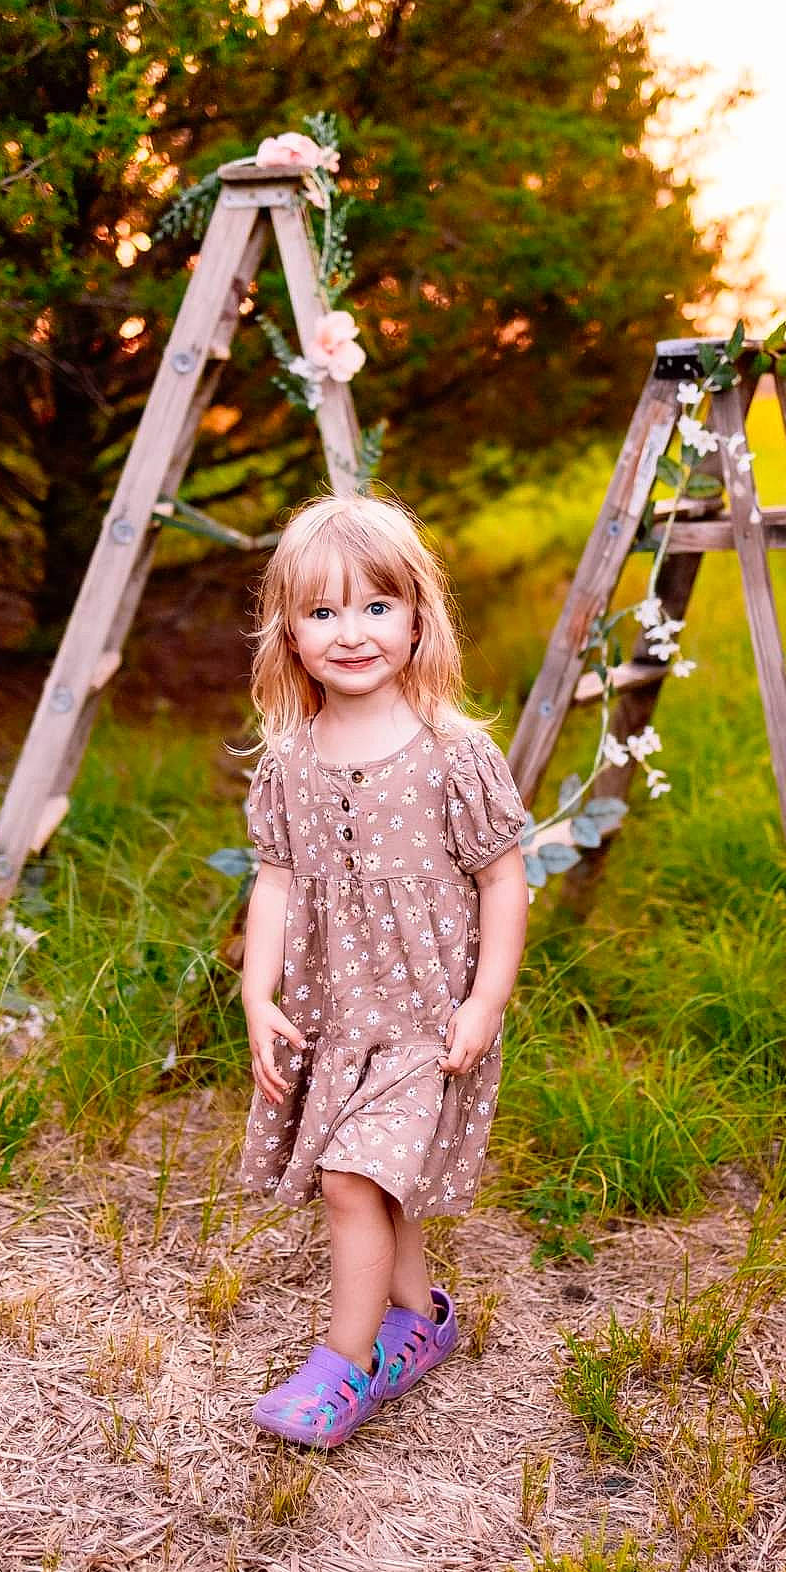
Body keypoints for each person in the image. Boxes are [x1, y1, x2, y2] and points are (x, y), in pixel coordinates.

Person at [237, 492, 530, 1449]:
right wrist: (257, 993)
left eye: (374, 608)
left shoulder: (453, 756)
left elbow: (502, 880)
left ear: (416, 618)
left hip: (424, 1017)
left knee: (351, 1182)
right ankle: (418, 1324)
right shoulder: (288, 761)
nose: (350, 632)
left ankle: (343, 1366)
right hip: (337, 1019)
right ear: (288, 632)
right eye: (322, 612)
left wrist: (486, 1000)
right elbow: (275, 885)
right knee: (374, 1177)